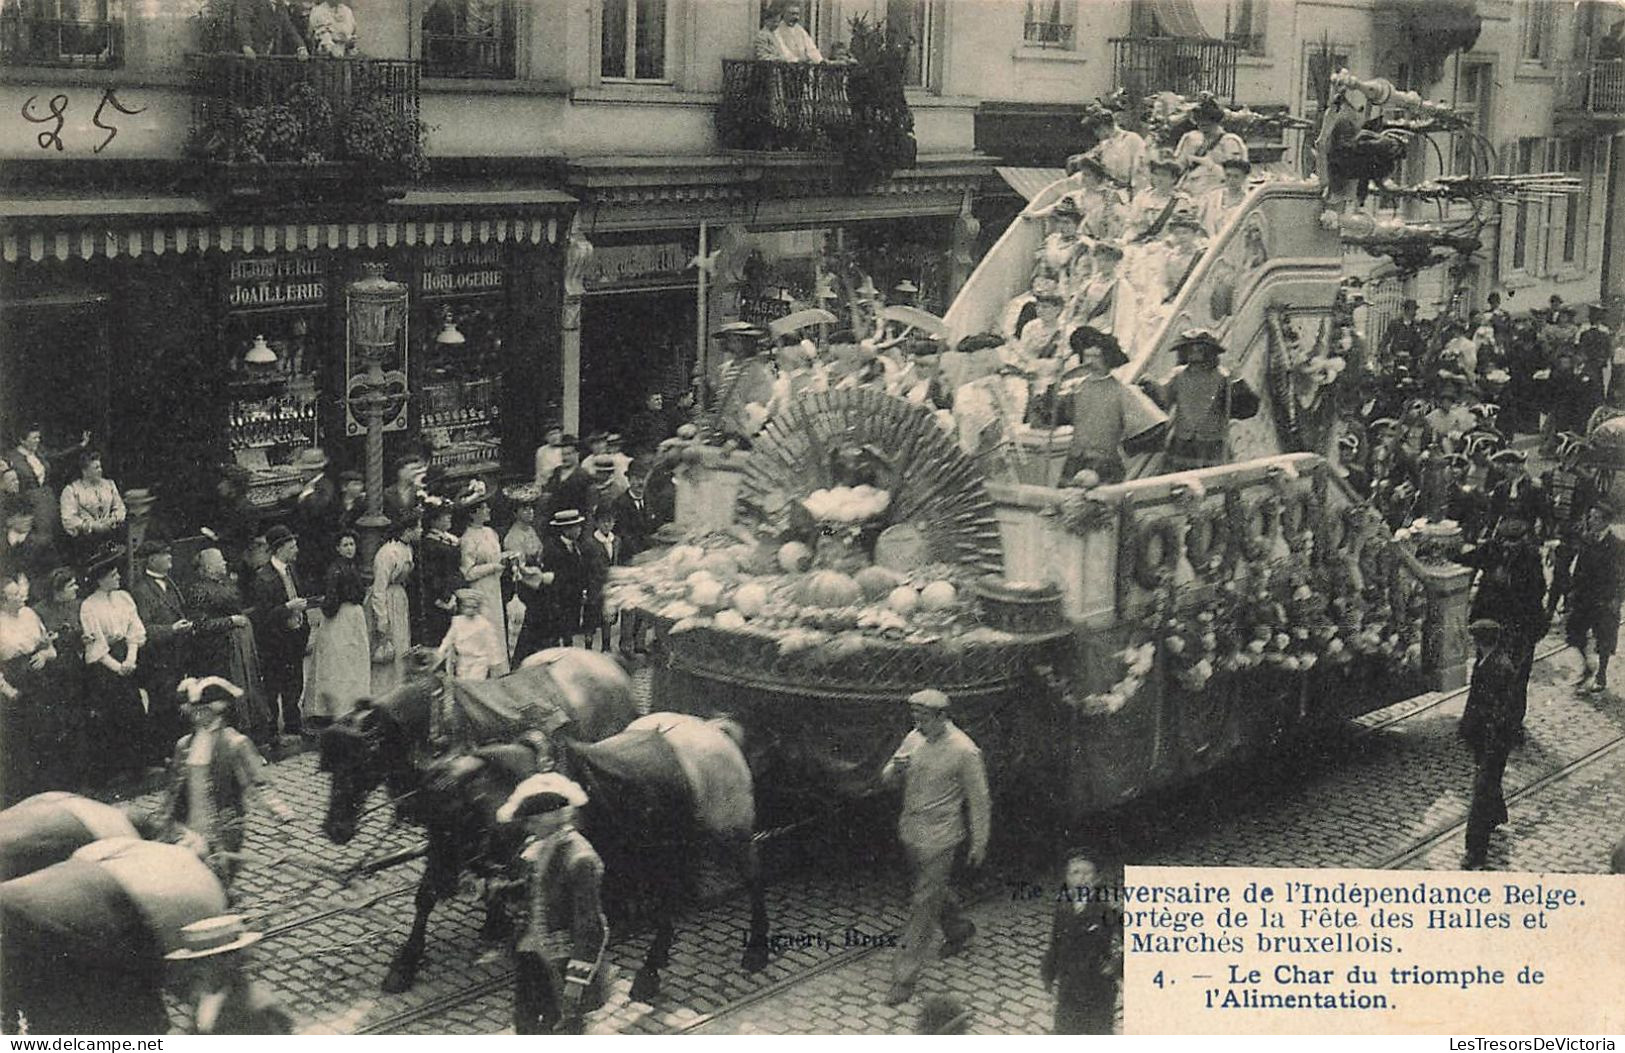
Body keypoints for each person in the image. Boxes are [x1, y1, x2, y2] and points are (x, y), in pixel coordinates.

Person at [879, 688, 991, 1006]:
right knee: (931, 893)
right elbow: (886, 778)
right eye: (915, 718)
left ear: (943, 717)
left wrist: (979, 841)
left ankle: (904, 978)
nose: (917, 725)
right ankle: (958, 930)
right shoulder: (914, 739)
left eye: (924, 719)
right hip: (911, 833)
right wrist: (894, 772)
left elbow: (980, 801)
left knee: (922, 904)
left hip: (942, 838)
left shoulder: (965, 751)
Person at [495, 773, 609, 1035]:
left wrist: (575, 983)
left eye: (536, 818)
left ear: (559, 815)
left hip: (562, 968)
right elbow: (535, 889)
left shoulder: (580, 859)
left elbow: (591, 927)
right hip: (532, 957)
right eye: (529, 818)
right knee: (526, 1027)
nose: (529, 825)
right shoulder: (539, 846)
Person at [160, 678, 294, 891]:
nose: (196, 715)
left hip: (223, 828)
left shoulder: (235, 743)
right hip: (187, 825)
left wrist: (275, 807)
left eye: (202, 710)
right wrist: (167, 819)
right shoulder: (184, 744)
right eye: (194, 710)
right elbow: (174, 788)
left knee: (215, 884)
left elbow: (258, 781)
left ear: (217, 711)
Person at [1456, 517, 1546, 735]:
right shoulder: (1492, 549)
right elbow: (1467, 558)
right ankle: (1474, 725)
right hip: (1490, 624)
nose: (1508, 547)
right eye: (1505, 541)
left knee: (1515, 679)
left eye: (1513, 543)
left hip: (1519, 626)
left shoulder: (1531, 559)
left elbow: (1537, 593)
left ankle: (1510, 727)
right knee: (1483, 673)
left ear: (1523, 541)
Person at [1052, 327, 1169, 483]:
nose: (1090, 361)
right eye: (1087, 356)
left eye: (1097, 357)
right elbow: (1058, 416)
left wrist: (1123, 449)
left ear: (1108, 358)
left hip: (1105, 463)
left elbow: (1155, 425)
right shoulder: (1077, 388)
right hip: (1075, 460)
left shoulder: (1122, 391)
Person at [188, 546, 271, 747]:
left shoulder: (226, 583)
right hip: (217, 654)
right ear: (208, 567)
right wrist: (231, 621)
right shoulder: (198, 589)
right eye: (220, 561)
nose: (225, 563)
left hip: (237, 650)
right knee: (228, 698)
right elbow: (200, 625)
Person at [1142, 329, 1260, 470]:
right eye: (1190, 348)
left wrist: (1237, 380)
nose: (1194, 352)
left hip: (1213, 441)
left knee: (1213, 481)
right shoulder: (1178, 375)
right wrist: (1150, 384)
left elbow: (1245, 408)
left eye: (1200, 348)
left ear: (1210, 351)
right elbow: (1164, 397)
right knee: (1180, 481)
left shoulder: (1223, 376)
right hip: (1183, 441)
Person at [78, 545, 148, 783]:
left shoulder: (124, 598)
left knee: (134, 710)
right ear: (101, 580)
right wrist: (117, 668)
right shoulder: (89, 606)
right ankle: (111, 771)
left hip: (126, 656)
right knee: (110, 716)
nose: (118, 577)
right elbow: (95, 642)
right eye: (113, 575)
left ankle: (137, 767)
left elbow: (134, 629)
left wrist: (130, 659)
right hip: (105, 666)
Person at [128, 538, 196, 765]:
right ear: (152, 559)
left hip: (177, 656)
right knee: (161, 706)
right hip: (158, 660)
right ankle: (160, 755)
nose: (170, 558)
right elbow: (143, 627)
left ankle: (176, 751)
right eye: (164, 554)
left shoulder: (171, 583)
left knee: (176, 703)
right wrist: (172, 629)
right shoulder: (141, 589)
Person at [165, 916, 293, 1034]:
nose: (195, 969)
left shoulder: (259, 1008)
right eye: (194, 962)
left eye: (203, 962)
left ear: (228, 962)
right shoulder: (201, 996)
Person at [1459, 619, 1518, 869]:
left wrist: (1491, 740)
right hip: (1483, 737)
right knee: (1488, 784)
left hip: (1494, 740)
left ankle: (1475, 852)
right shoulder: (1486, 663)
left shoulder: (1499, 668)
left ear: (1480, 642)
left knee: (1481, 792)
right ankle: (1497, 814)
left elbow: (1501, 712)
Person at [1041, 852, 1122, 1034]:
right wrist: (1049, 974)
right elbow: (1055, 942)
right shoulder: (1064, 907)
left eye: (1087, 873)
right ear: (1067, 878)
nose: (1081, 878)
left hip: (1098, 987)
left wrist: (1117, 964)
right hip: (1069, 986)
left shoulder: (1105, 908)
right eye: (1075, 873)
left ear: (1097, 878)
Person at [248, 525, 311, 744]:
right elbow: (262, 615)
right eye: (292, 546)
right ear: (280, 548)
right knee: (273, 686)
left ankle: (294, 725)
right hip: (275, 642)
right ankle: (272, 731)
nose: (296, 550)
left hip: (294, 638)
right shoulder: (263, 578)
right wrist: (287, 607)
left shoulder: (292, 570)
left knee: (295, 682)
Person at [0, 571, 60, 803]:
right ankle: (22, 795)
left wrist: (45, 654)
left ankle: (48, 789)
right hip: (12, 684)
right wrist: (7, 690)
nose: (21, 597)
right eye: (14, 595)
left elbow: (49, 646)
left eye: (20, 591)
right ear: (2, 601)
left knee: (45, 731)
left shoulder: (29, 614)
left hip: (38, 679)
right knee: (18, 740)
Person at [305, 531, 370, 725]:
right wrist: (329, 607)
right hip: (342, 618)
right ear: (338, 548)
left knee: (353, 658)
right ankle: (340, 705)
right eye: (345, 545)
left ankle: (352, 702)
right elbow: (332, 601)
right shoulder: (336, 570)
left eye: (352, 544)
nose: (350, 548)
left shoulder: (351, 566)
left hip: (353, 618)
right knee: (341, 661)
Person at [31, 565, 87, 790]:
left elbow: (83, 630)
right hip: (54, 673)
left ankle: (81, 775)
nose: (77, 588)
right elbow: (40, 640)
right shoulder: (40, 610)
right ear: (58, 589)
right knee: (58, 723)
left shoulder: (79, 605)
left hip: (77, 669)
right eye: (72, 585)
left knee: (79, 720)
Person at [1565, 506, 1624, 693]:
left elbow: (1622, 576)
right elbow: (1579, 567)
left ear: (1606, 521)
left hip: (1605, 598)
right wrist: (1572, 590)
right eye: (1590, 517)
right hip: (1584, 595)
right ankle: (1587, 666)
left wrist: (1617, 598)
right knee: (1575, 633)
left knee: (1604, 637)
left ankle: (1602, 674)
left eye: (1596, 518)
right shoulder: (1587, 540)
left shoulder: (1618, 545)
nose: (1591, 521)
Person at [458, 481, 512, 676]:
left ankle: (499, 672)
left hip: (494, 587)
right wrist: (492, 567)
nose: (487, 509)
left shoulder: (491, 533)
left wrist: (507, 558)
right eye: (482, 507)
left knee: (497, 626)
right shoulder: (468, 538)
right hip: (480, 588)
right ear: (473, 513)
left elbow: (496, 556)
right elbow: (468, 572)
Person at [369, 513, 419, 695]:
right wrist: (382, 619)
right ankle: (384, 691)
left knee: (402, 643)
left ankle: (400, 689)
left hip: (399, 597)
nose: (420, 531)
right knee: (391, 644)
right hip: (388, 598)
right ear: (408, 531)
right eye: (418, 527)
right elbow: (379, 589)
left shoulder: (407, 549)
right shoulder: (387, 553)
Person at [11, 425, 88, 542]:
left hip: (48, 499)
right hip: (30, 504)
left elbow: (59, 455)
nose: (38, 440)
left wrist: (81, 445)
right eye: (34, 438)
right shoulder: (13, 459)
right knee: (41, 537)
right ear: (22, 440)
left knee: (56, 532)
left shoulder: (39, 451)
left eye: (39, 437)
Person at [59, 450, 126, 566]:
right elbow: (68, 519)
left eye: (100, 467)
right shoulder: (71, 490)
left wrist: (112, 519)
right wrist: (93, 526)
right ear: (85, 471)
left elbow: (120, 508)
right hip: (86, 542)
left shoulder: (109, 484)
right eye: (96, 468)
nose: (100, 470)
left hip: (111, 535)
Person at [1173, 97, 1248, 199]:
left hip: (1215, 195)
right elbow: (1177, 168)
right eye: (1199, 123)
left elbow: (1236, 175)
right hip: (1188, 194)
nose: (1202, 127)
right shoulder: (1190, 139)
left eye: (1208, 124)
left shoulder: (1230, 142)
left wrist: (1209, 164)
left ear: (1217, 121)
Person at [417, 497, 461, 647]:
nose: (449, 518)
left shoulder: (450, 540)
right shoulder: (430, 544)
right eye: (444, 515)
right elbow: (431, 575)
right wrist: (444, 598)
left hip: (453, 593)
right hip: (438, 599)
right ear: (434, 520)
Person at [288, 447, 335, 586]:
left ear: (313, 470)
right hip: (312, 541)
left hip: (318, 542)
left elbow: (316, 509)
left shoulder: (324, 486)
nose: (301, 472)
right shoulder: (311, 485)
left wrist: (302, 496)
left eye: (304, 469)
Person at [438, 588, 507, 680]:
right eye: (467, 607)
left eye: (473, 607)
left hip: (479, 661)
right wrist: (441, 651)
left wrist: (495, 661)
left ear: (477, 608)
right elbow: (449, 638)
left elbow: (492, 643)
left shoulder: (484, 624)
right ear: (462, 607)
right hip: (463, 660)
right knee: (463, 683)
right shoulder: (457, 622)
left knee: (475, 683)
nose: (469, 610)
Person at [1081, 102, 1147, 193]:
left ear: (1103, 127)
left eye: (1096, 130)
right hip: (1107, 190)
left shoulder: (1132, 139)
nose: (1096, 134)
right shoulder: (1104, 145)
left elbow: (1140, 172)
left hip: (1127, 191)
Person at [582, 505, 620, 654]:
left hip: (609, 585)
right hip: (594, 585)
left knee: (608, 617)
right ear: (597, 523)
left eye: (610, 522)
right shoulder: (589, 543)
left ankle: (606, 646)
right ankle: (588, 648)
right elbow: (585, 567)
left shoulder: (616, 541)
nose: (607, 525)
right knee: (591, 618)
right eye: (603, 521)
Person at [0, 501, 58, 597]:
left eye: (29, 514)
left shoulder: (42, 544)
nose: (28, 519)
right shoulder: (2, 543)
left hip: (35, 596)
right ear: (9, 519)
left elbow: (54, 573)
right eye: (21, 515)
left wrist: (29, 588)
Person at [228, 0, 309, 58]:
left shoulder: (280, 5)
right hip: (249, 55)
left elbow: (289, 28)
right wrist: (246, 45)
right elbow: (242, 21)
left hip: (269, 56)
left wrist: (301, 46)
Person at [1198, 157, 1251, 238]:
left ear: (1244, 178)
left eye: (1236, 176)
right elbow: (1199, 222)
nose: (1231, 180)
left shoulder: (1248, 201)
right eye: (1228, 175)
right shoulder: (1211, 197)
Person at [755, 0, 822, 62]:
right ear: (784, 14)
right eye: (792, 14)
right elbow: (783, 51)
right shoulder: (776, 29)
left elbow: (811, 48)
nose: (796, 17)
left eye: (797, 14)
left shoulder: (800, 30)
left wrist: (819, 60)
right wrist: (796, 60)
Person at [384, 456, 427, 527]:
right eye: (412, 469)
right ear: (400, 472)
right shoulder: (387, 493)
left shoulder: (422, 491)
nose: (417, 473)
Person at [534, 423, 568, 492]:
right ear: (545, 437)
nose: (554, 437)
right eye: (551, 434)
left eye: (557, 433)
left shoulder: (565, 449)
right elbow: (539, 472)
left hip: (562, 486)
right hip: (544, 486)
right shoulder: (541, 451)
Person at [335, 469, 366, 535]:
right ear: (344, 487)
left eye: (361, 484)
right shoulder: (335, 503)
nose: (360, 488)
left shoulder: (363, 504)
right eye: (356, 484)